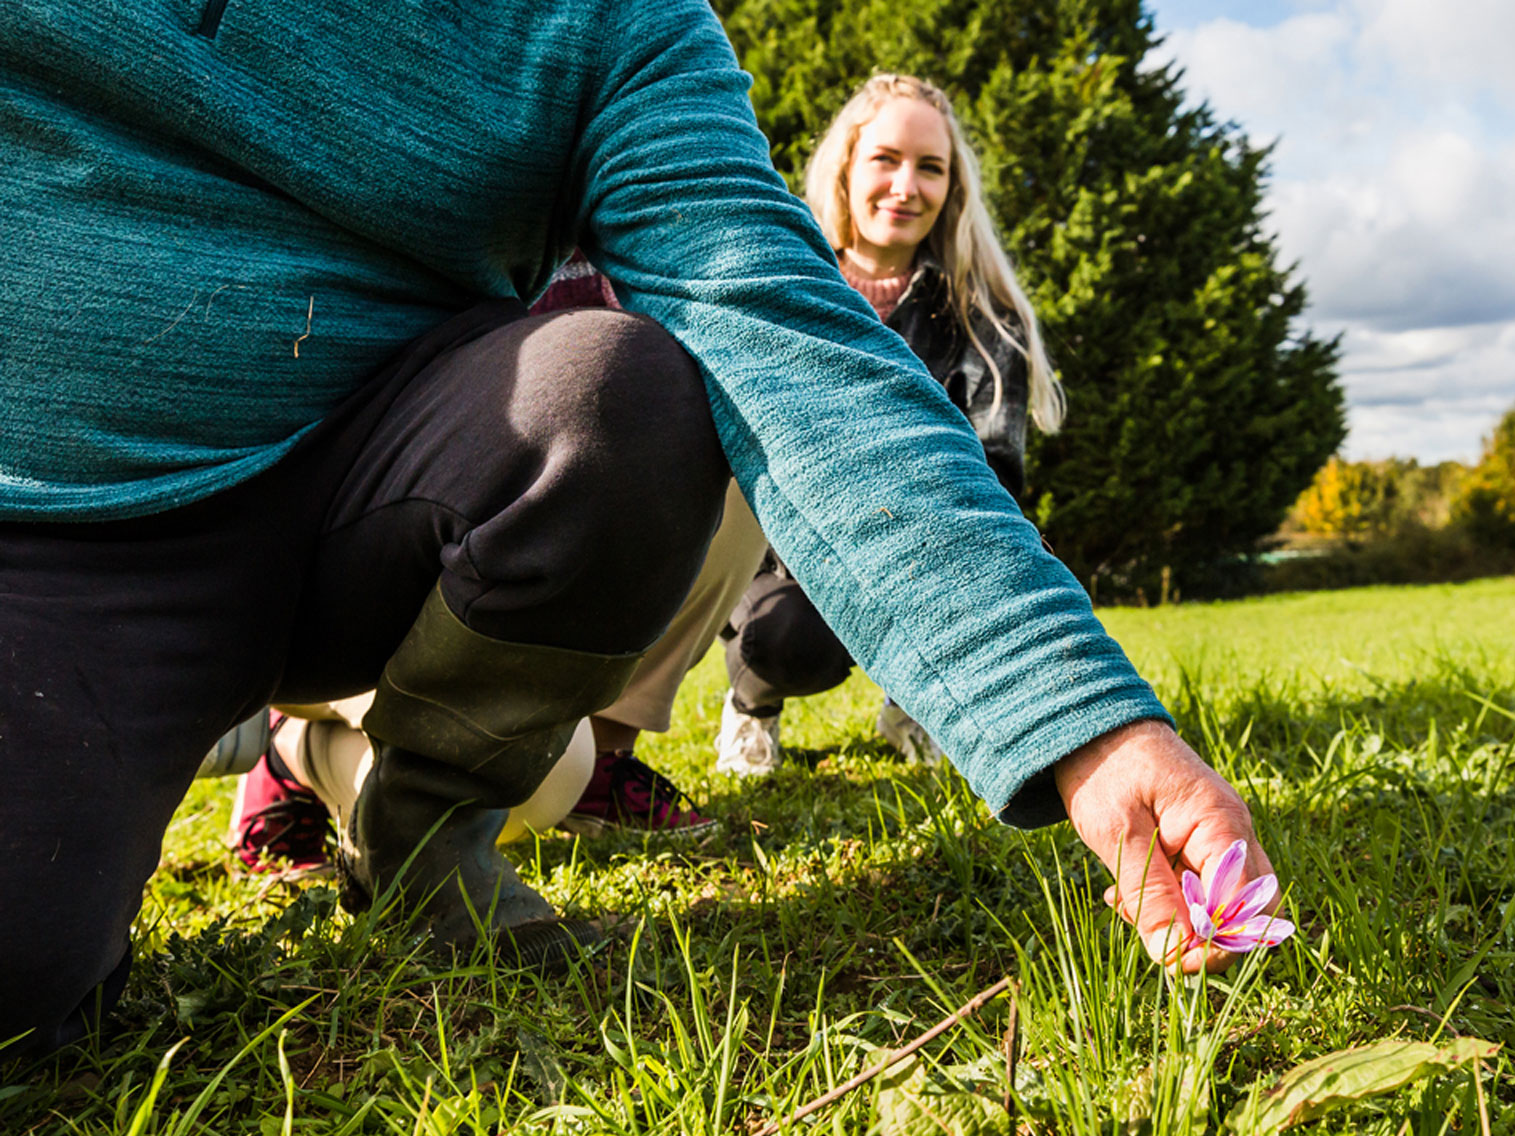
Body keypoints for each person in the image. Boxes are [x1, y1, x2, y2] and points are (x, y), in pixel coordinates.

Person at [0, 0, 1277, 1056]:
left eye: (929, 167)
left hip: (385, 503)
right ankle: (286, 753)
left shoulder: (615, 26)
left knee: (624, 389)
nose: (907, 185)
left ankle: (425, 823)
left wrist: (1073, 713)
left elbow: (781, 331)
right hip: (56, 525)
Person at [225, 255, 768, 873]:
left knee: (731, 452)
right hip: (374, 541)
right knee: (537, 785)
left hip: (531, 546)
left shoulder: (643, 206)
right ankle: (294, 753)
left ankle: (609, 747)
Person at [714, 74, 1062, 777]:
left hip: (927, 549)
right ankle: (751, 707)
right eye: (886, 159)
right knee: (788, 641)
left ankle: (916, 705)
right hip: (783, 557)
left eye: (930, 167)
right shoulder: (782, 286)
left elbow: (996, 470)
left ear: (952, 187)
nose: (906, 185)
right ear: (845, 165)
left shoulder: (985, 317)